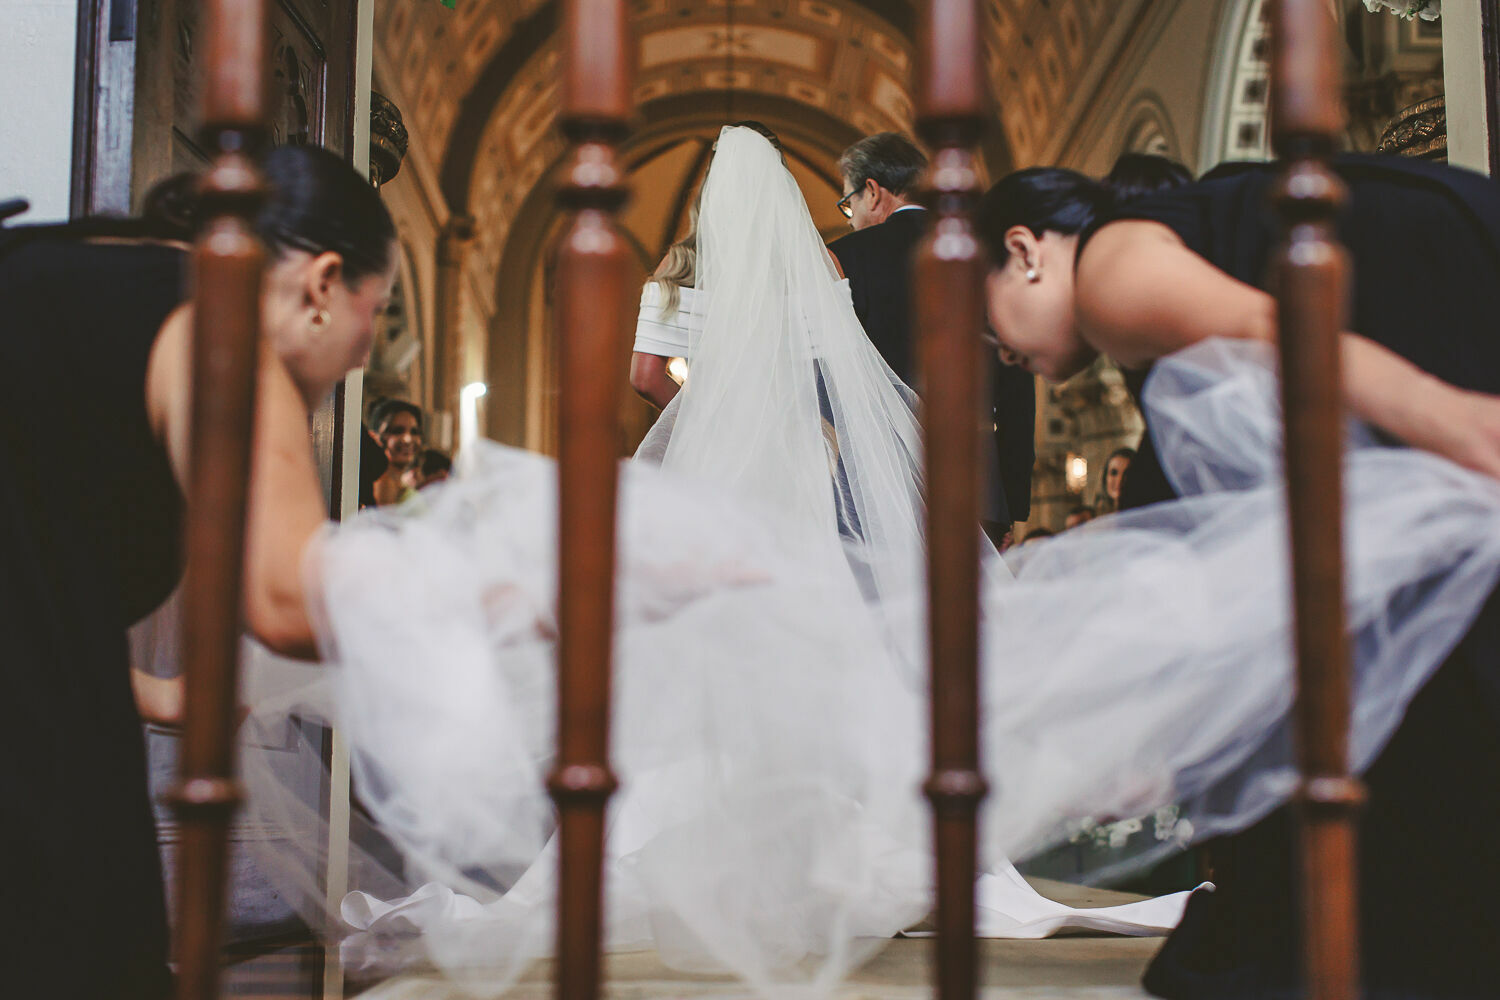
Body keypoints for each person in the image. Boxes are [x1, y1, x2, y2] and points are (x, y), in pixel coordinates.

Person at [244, 125, 1199, 997]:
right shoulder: (918, 260)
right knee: (868, 675)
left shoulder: (737, 275)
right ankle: (865, 845)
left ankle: (737, 852)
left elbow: (650, 378)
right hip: (897, 496)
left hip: (760, 486)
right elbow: (939, 384)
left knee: (718, 671)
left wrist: (711, 421)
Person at [976, 156, 1500, 998]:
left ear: (1026, 249)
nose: (997, 350)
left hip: (1414, 285)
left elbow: (1284, 326)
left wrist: (1458, 425)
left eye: (984, 316)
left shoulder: (1107, 272)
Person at [0, 144, 396, 999]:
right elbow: (286, 598)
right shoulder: (219, 320)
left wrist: (154, 694)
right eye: (380, 310)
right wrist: (515, 582)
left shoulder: (64, 274)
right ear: (324, 284)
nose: (369, 352)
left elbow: (29, 583)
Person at [828, 131, 1035, 535]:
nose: (850, 217)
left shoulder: (847, 258)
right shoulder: (987, 255)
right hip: (977, 484)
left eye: (846, 203)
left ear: (871, 192)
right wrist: (1009, 503)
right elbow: (1017, 385)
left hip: (879, 481)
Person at [369, 398, 423, 504]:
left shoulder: (397, 482)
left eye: (414, 432)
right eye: (397, 431)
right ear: (375, 437)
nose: (407, 439)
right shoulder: (385, 484)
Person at [1098, 446, 1134, 513]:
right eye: (1114, 473)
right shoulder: (1097, 519)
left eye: (1127, 474)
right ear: (1105, 478)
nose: (1119, 480)